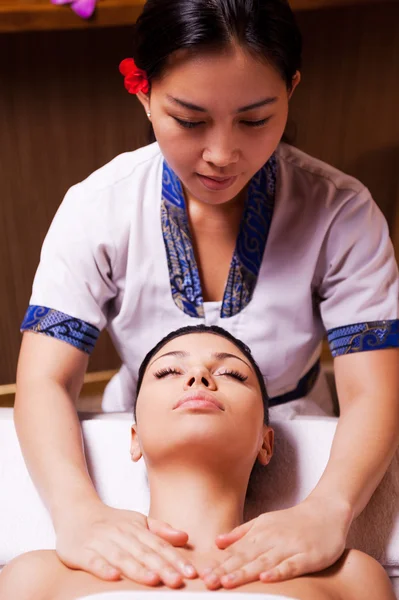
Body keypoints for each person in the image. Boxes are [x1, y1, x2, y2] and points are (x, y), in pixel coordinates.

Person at [14, 0, 399, 590]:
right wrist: (78, 514)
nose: (221, 154)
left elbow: (371, 386)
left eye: (254, 119)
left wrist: (330, 508)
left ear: (291, 90)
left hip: (295, 434)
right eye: (190, 120)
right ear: (143, 91)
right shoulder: (100, 208)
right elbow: (44, 379)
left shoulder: (339, 213)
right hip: (147, 435)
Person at [2, 326, 396, 599]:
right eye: (169, 370)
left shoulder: (351, 578)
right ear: (135, 438)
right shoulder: (33, 578)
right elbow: (41, 381)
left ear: (266, 443)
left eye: (231, 373)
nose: (198, 376)